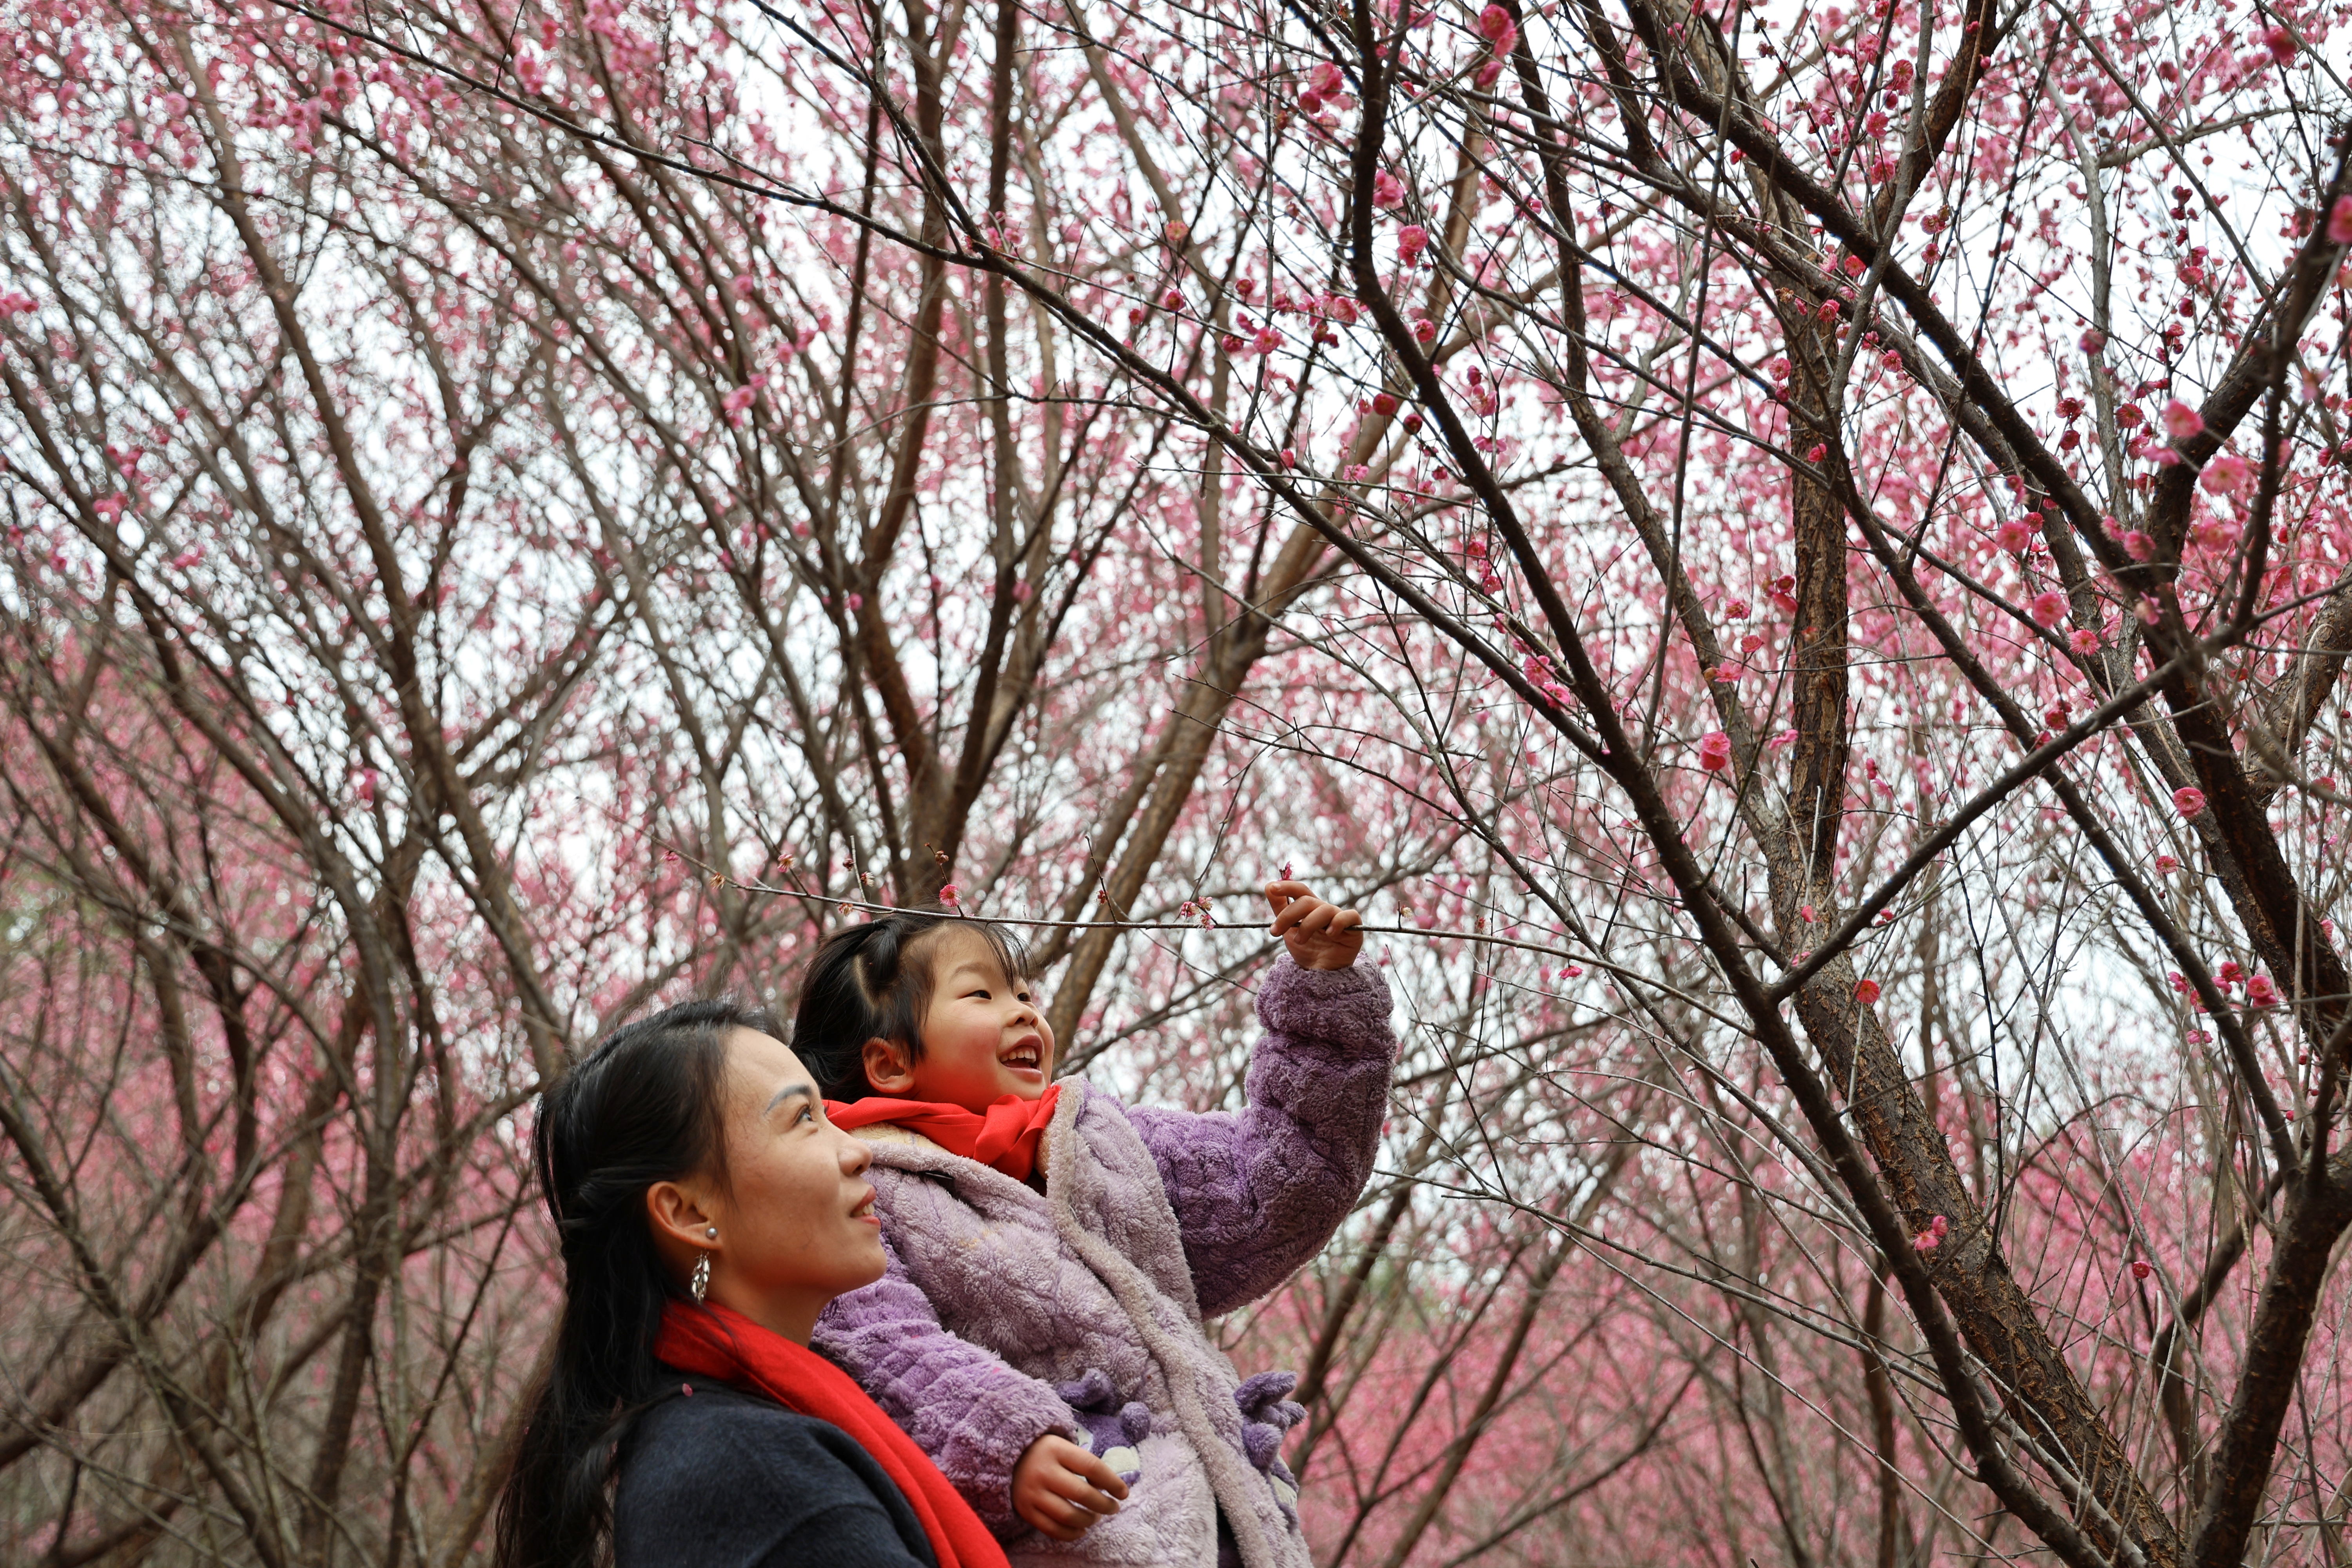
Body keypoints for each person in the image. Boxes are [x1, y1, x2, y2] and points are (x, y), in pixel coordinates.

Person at [798, 880, 1396, 1567]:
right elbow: (881, 1348)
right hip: (1068, 1532)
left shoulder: (1101, 1144)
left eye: (1025, 995)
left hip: (1234, 1532)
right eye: (982, 995)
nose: (1024, 1013)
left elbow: (1275, 1185)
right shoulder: (856, 1188)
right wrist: (1005, 1443)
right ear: (890, 1063)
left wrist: (1324, 1006)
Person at [492, 998, 1014, 1568]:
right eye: (802, 1120)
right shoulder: (749, 1476)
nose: (858, 1149)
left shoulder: (726, 1442)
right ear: (690, 1213)